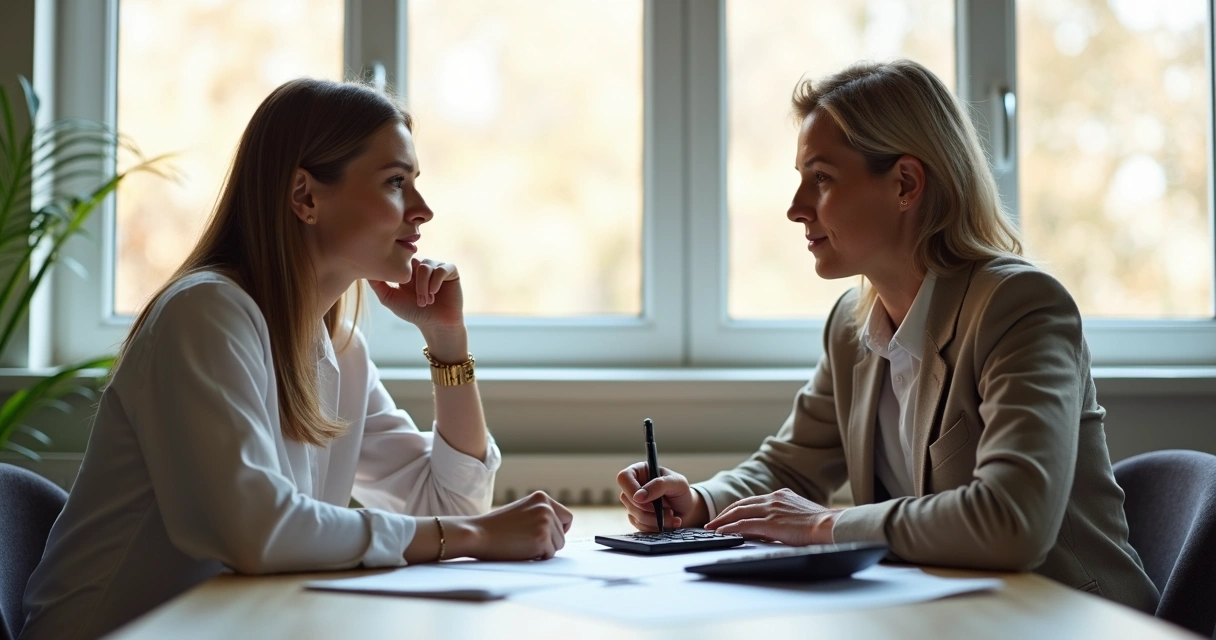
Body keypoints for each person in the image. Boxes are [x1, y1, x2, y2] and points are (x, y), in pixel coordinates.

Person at [20, 79, 571, 640]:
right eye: (395, 182)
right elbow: (256, 531)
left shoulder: (339, 348)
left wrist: (447, 343)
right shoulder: (205, 314)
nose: (423, 210)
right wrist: (474, 537)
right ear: (305, 196)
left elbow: (451, 500)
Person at [616, 59, 1159, 613]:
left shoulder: (1020, 307)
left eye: (821, 178)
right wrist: (702, 502)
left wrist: (825, 526)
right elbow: (790, 468)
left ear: (905, 184)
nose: (796, 208)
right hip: (951, 618)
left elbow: (1010, 520)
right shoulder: (853, 325)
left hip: (1070, 620)